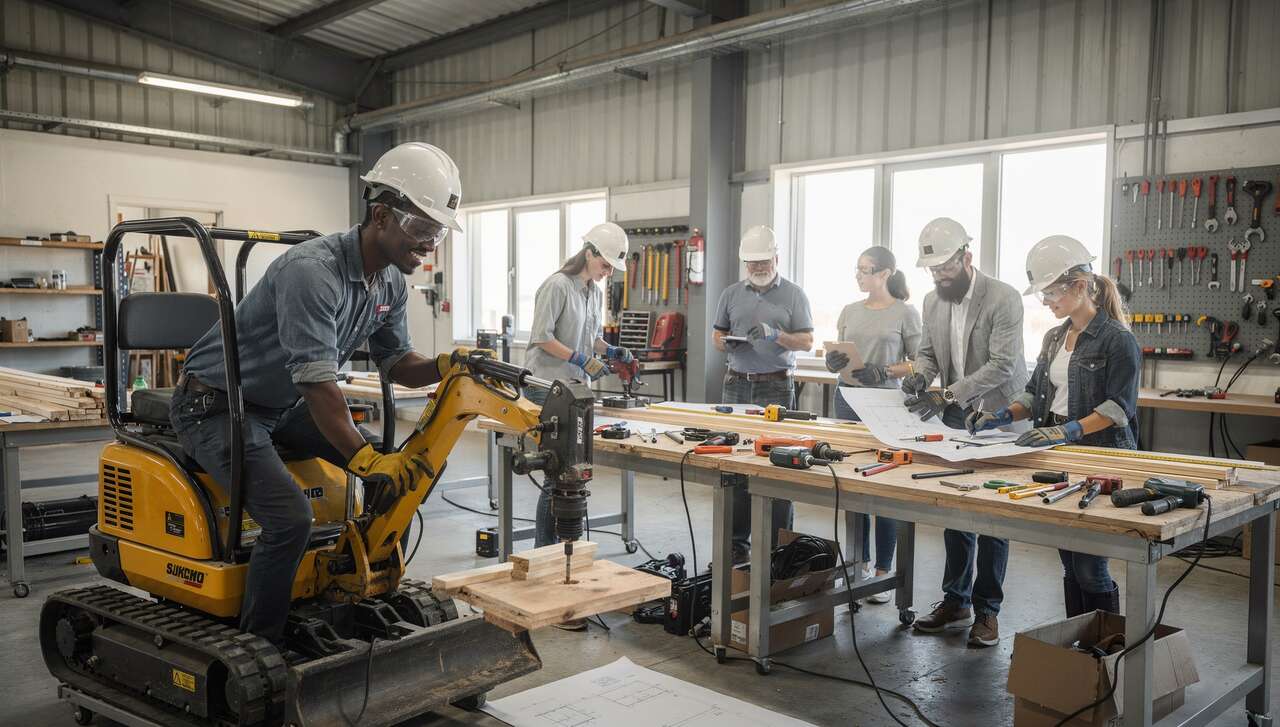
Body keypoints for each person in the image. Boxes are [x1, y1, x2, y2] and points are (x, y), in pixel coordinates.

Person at [170, 142, 463, 643]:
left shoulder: (389, 280)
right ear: (380, 216)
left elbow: (397, 365)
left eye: (436, 232)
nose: (428, 244)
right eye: (419, 229)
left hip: (278, 404)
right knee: (289, 517)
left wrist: (448, 366)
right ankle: (264, 641)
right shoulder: (312, 272)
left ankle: (349, 586)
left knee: (399, 470)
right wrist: (365, 458)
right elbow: (318, 386)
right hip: (216, 405)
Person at [967, 235, 1139, 616]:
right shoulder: (1054, 337)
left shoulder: (1118, 341)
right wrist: (1002, 415)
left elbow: (1118, 408)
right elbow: (1034, 393)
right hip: (1058, 449)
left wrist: (1069, 430)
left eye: (1050, 293)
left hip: (1099, 452)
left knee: (1090, 566)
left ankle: (1103, 650)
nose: (1045, 302)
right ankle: (1077, 645)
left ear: (1079, 286)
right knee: (1068, 560)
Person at [900, 217, 1028, 647]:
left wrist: (948, 394)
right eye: (932, 271)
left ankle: (987, 610)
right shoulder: (932, 301)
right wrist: (922, 377)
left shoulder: (1004, 298)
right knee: (956, 510)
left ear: (966, 257)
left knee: (993, 512)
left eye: (946, 269)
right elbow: (928, 352)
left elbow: (1003, 365)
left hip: (1000, 415)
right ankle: (956, 601)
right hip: (955, 415)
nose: (939, 277)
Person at [523, 222, 632, 630]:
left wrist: (609, 349)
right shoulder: (557, 286)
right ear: (589, 252)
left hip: (576, 391)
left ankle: (559, 567)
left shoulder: (593, 291)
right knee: (557, 477)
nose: (608, 270)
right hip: (547, 389)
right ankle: (545, 569)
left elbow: (591, 340)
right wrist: (579, 360)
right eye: (606, 262)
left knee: (572, 478)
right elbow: (541, 338)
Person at [824, 246, 921, 603]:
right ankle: (857, 563)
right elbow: (835, 357)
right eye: (858, 269)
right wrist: (831, 362)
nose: (859, 276)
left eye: (866, 270)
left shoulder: (905, 314)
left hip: (885, 402)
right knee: (850, 484)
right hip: (847, 399)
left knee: (881, 485)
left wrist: (885, 370)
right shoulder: (850, 310)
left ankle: (883, 567)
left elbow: (919, 363)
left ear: (886, 273)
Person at [712, 225, 814, 563]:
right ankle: (737, 542)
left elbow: (807, 341)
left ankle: (778, 545)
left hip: (775, 385)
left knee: (781, 462)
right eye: (752, 263)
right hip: (736, 382)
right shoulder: (730, 294)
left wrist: (776, 335)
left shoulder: (795, 295)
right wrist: (724, 342)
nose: (758, 268)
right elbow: (717, 334)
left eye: (763, 261)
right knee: (735, 462)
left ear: (776, 257)